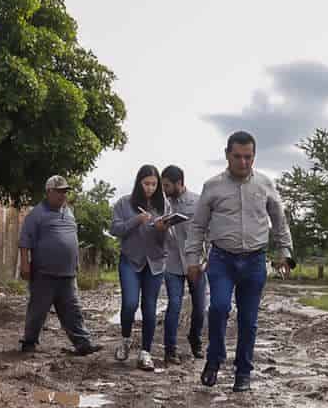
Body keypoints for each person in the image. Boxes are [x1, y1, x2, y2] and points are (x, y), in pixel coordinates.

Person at [185, 131, 292, 392]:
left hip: (255, 260)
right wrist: (192, 260)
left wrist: (285, 252)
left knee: (248, 319)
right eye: (238, 157)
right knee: (219, 308)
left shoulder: (265, 184)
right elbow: (198, 226)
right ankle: (214, 360)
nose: (243, 163)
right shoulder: (212, 187)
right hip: (221, 259)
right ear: (227, 155)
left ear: (254, 156)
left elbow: (279, 221)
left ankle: (243, 372)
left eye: (248, 157)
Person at [18, 175, 100, 356]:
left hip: (67, 274)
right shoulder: (37, 214)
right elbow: (25, 240)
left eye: (65, 192)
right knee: (38, 311)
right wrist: (24, 265)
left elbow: (73, 239)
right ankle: (29, 342)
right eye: (59, 192)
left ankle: (83, 343)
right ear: (49, 192)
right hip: (43, 273)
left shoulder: (69, 212)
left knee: (73, 310)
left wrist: (76, 261)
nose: (63, 196)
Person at [110, 165, 170, 371]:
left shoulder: (163, 206)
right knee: (130, 302)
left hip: (154, 262)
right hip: (130, 260)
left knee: (150, 307)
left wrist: (162, 229)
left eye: (154, 184)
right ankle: (126, 340)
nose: (150, 188)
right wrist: (137, 220)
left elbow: (168, 240)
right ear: (138, 183)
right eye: (146, 183)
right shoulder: (124, 203)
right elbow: (115, 229)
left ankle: (145, 352)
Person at [159, 165, 204, 363]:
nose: (164, 189)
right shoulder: (162, 204)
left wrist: (205, 261)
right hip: (172, 262)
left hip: (196, 262)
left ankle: (195, 339)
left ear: (179, 183)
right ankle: (170, 350)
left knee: (200, 307)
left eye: (167, 185)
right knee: (174, 305)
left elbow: (208, 232)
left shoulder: (198, 202)